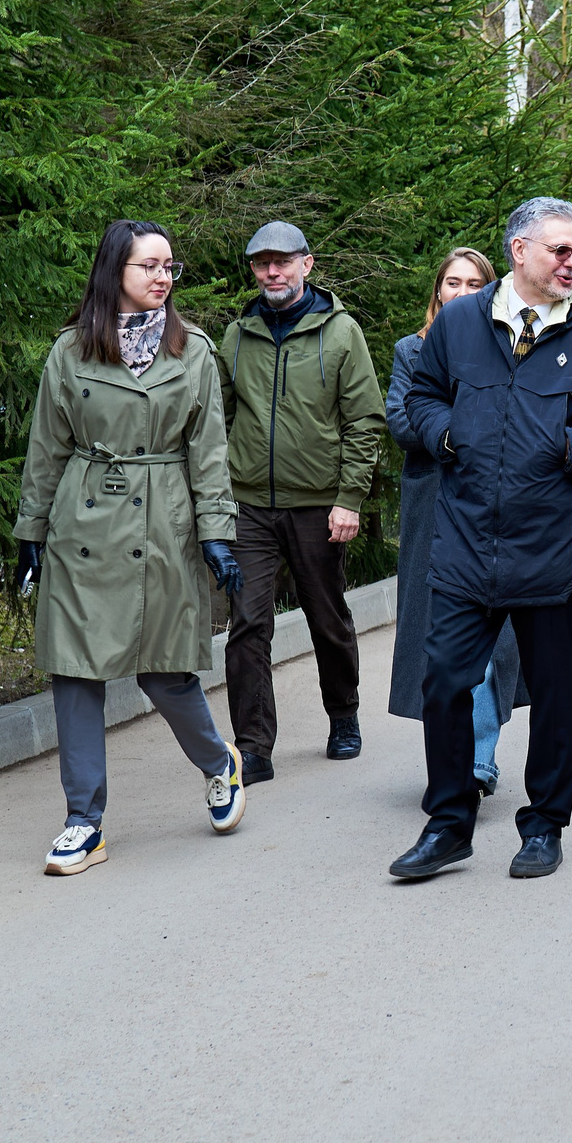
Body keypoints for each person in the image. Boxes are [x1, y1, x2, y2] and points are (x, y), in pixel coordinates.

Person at [389, 198, 572, 882]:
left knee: (555, 694)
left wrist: (566, 443)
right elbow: (421, 400)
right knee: (445, 683)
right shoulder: (458, 323)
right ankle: (449, 824)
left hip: (554, 552)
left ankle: (544, 824)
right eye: (559, 250)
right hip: (464, 544)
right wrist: (448, 434)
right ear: (519, 251)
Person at [13, 220, 247, 876]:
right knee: (76, 671)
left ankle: (217, 762)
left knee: (164, 669)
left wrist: (218, 534)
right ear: (114, 269)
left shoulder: (192, 349)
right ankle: (83, 820)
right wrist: (31, 531)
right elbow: (46, 448)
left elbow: (209, 453)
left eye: (169, 265)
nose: (162, 277)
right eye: (149, 265)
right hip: (83, 522)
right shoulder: (71, 351)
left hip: (161, 517)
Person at [215, 221, 384, 785]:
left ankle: (343, 715)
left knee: (326, 615)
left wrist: (349, 498)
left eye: (282, 261)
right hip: (250, 508)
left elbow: (364, 420)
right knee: (247, 626)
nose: (272, 272)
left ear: (306, 265)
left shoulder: (340, 333)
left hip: (318, 505)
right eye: (262, 262)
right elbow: (223, 418)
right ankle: (254, 746)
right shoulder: (237, 337)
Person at [386, 248, 528, 796]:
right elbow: (401, 418)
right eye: (452, 282)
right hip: (432, 504)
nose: (462, 291)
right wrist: (462, 433)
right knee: (437, 636)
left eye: (475, 283)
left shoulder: (513, 348)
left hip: (496, 505)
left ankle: (479, 760)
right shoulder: (412, 350)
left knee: (492, 638)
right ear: (438, 292)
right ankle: (448, 758)